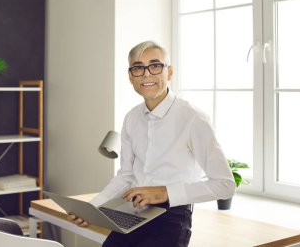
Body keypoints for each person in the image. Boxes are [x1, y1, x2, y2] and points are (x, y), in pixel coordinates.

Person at [67, 40, 236, 247]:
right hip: (132, 211)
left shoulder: (193, 119)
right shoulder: (131, 118)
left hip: (171, 217)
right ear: (130, 76)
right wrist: (94, 208)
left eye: (155, 66)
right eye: (138, 68)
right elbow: (126, 176)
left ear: (169, 72)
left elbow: (225, 185)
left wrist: (165, 192)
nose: (146, 74)